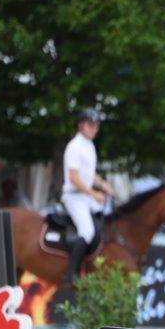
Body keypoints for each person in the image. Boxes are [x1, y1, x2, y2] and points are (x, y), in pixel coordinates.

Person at [60, 109, 115, 283]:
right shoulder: (74, 146)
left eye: (96, 125)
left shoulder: (89, 146)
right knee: (87, 231)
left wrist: (104, 185)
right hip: (74, 196)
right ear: (81, 126)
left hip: (85, 197)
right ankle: (71, 273)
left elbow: (90, 175)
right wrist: (94, 193)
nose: (94, 128)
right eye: (91, 125)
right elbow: (74, 177)